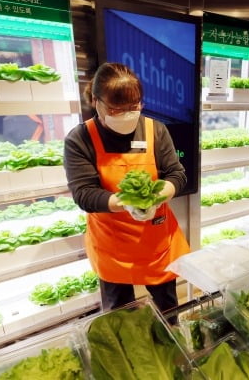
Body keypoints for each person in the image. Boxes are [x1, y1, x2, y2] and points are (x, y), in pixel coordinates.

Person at [63, 62, 190, 314]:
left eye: (134, 107)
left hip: (156, 242)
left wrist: (156, 197)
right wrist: (126, 202)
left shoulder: (156, 130)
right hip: (112, 246)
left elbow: (177, 174)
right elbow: (84, 194)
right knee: (121, 317)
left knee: (168, 311)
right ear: (96, 101)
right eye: (116, 109)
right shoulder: (80, 139)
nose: (127, 115)